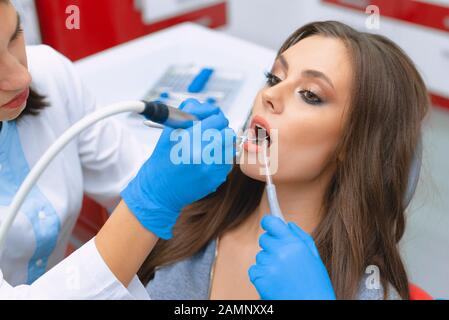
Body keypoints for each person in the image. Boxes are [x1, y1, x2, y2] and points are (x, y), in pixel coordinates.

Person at [140, 21, 430, 300]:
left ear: (352, 145)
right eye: (274, 78)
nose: (270, 94)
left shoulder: (368, 293)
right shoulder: (185, 222)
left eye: (310, 95)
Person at [0, 0, 235, 298]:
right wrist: (152, 198)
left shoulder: (51, 74)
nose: (22, 78)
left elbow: (128, 175)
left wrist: (177, 174)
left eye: (14, 36)